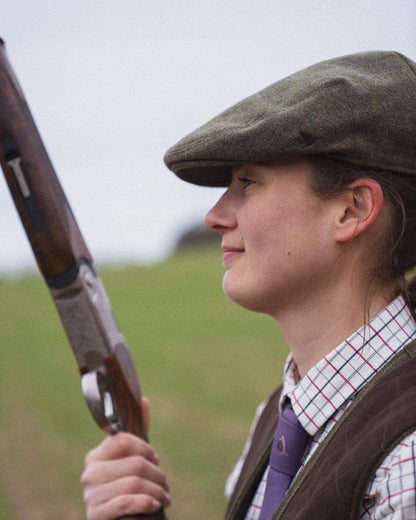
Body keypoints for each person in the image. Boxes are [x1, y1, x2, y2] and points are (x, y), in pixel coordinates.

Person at [81, 50, 416, 520]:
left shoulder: (408, 464)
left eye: (248, 183)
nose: (215, 216)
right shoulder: (278, 420)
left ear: (352, 209)